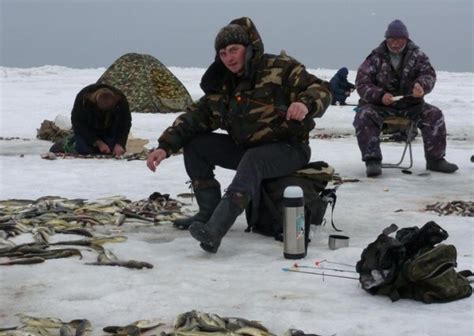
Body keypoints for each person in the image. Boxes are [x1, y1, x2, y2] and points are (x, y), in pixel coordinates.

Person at [146, 17, 331, 253]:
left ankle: (215, 229)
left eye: (234, 50)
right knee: (196, 145)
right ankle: (208, 212)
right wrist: (164, 146)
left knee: (253, 160)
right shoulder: (223, 86)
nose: (229, 58)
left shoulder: (279, 68)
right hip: (245, 149)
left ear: (249, 47)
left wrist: (305, 104)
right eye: (223, 53)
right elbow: (194, 118)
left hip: (289, 149)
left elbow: (321, 89)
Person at [353, 19, 458, 177]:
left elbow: (428, 75)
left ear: (406, 39)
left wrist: (421, 86)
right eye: (391, 40)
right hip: (380, 106)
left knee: (434, 114)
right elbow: (362, 83)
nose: (395, 44)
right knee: (363, 115)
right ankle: (372, 160)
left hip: (411, 105)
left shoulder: (418, 56)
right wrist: (380, 96)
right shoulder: (375, 57)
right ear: (387, 39)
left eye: (399, 40)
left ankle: (435, 160)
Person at [51, 83, 132, 156]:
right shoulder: (83, 98)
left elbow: (125, 124)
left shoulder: (120, 100)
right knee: (85, 150)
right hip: (88, 130)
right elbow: (78, 124)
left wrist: (120, 143)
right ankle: (70, 142)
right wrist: (98, 142)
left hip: (108, 130)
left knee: (110, 151)